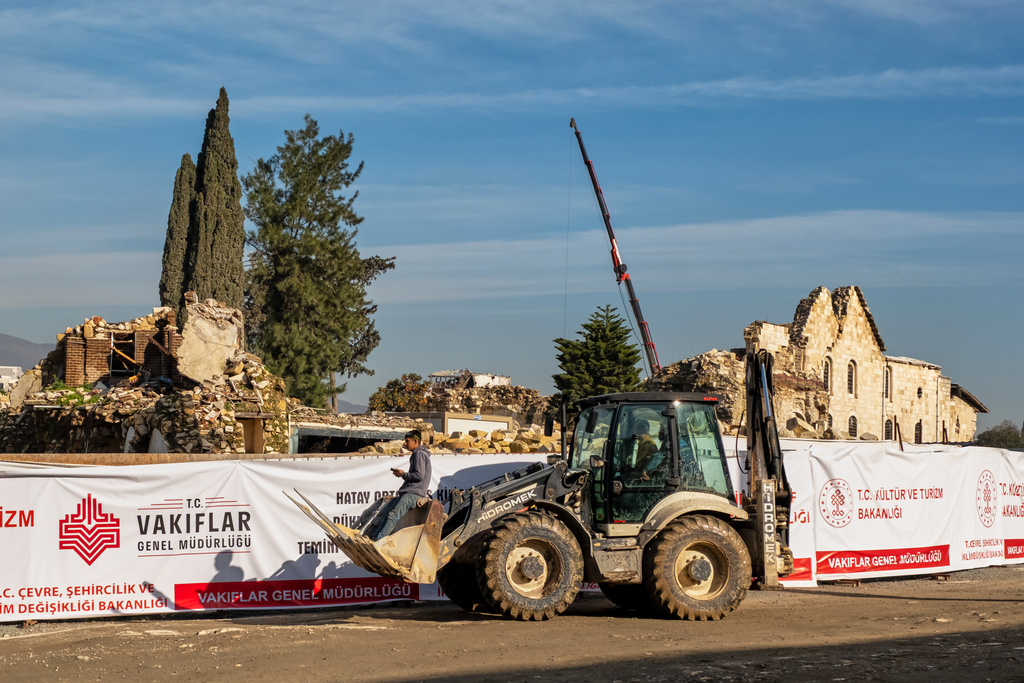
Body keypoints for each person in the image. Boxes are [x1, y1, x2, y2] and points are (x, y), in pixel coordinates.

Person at [370, 430, 432, 541]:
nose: (405, 444)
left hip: (413, 494)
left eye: (407, 441)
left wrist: (402, 474)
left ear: (415, 441)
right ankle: (374, 537)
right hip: (409, 492)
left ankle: (378, 540)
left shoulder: (419, 454)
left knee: (393, 516)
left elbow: (419, 475)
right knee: (386, 513)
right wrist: (403, 474)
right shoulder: (417, 454)